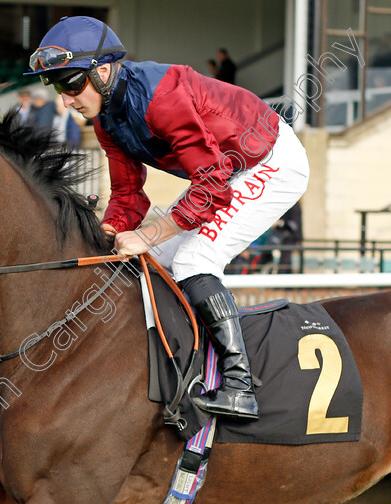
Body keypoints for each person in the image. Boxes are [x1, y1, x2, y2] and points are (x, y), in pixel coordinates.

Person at [26, 16, 310, 420]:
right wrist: (105, 235)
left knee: (194, 260)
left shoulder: (161, 98)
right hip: (225, 170)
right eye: (58, 88)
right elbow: (127, 194)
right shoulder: (106, 119)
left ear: (102, 71)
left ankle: (240, 386)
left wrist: (150, 234)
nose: (67, 98)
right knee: (150, 261)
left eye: (72, 84)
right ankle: (183, 371)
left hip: (270, 159)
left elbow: (211, 184)